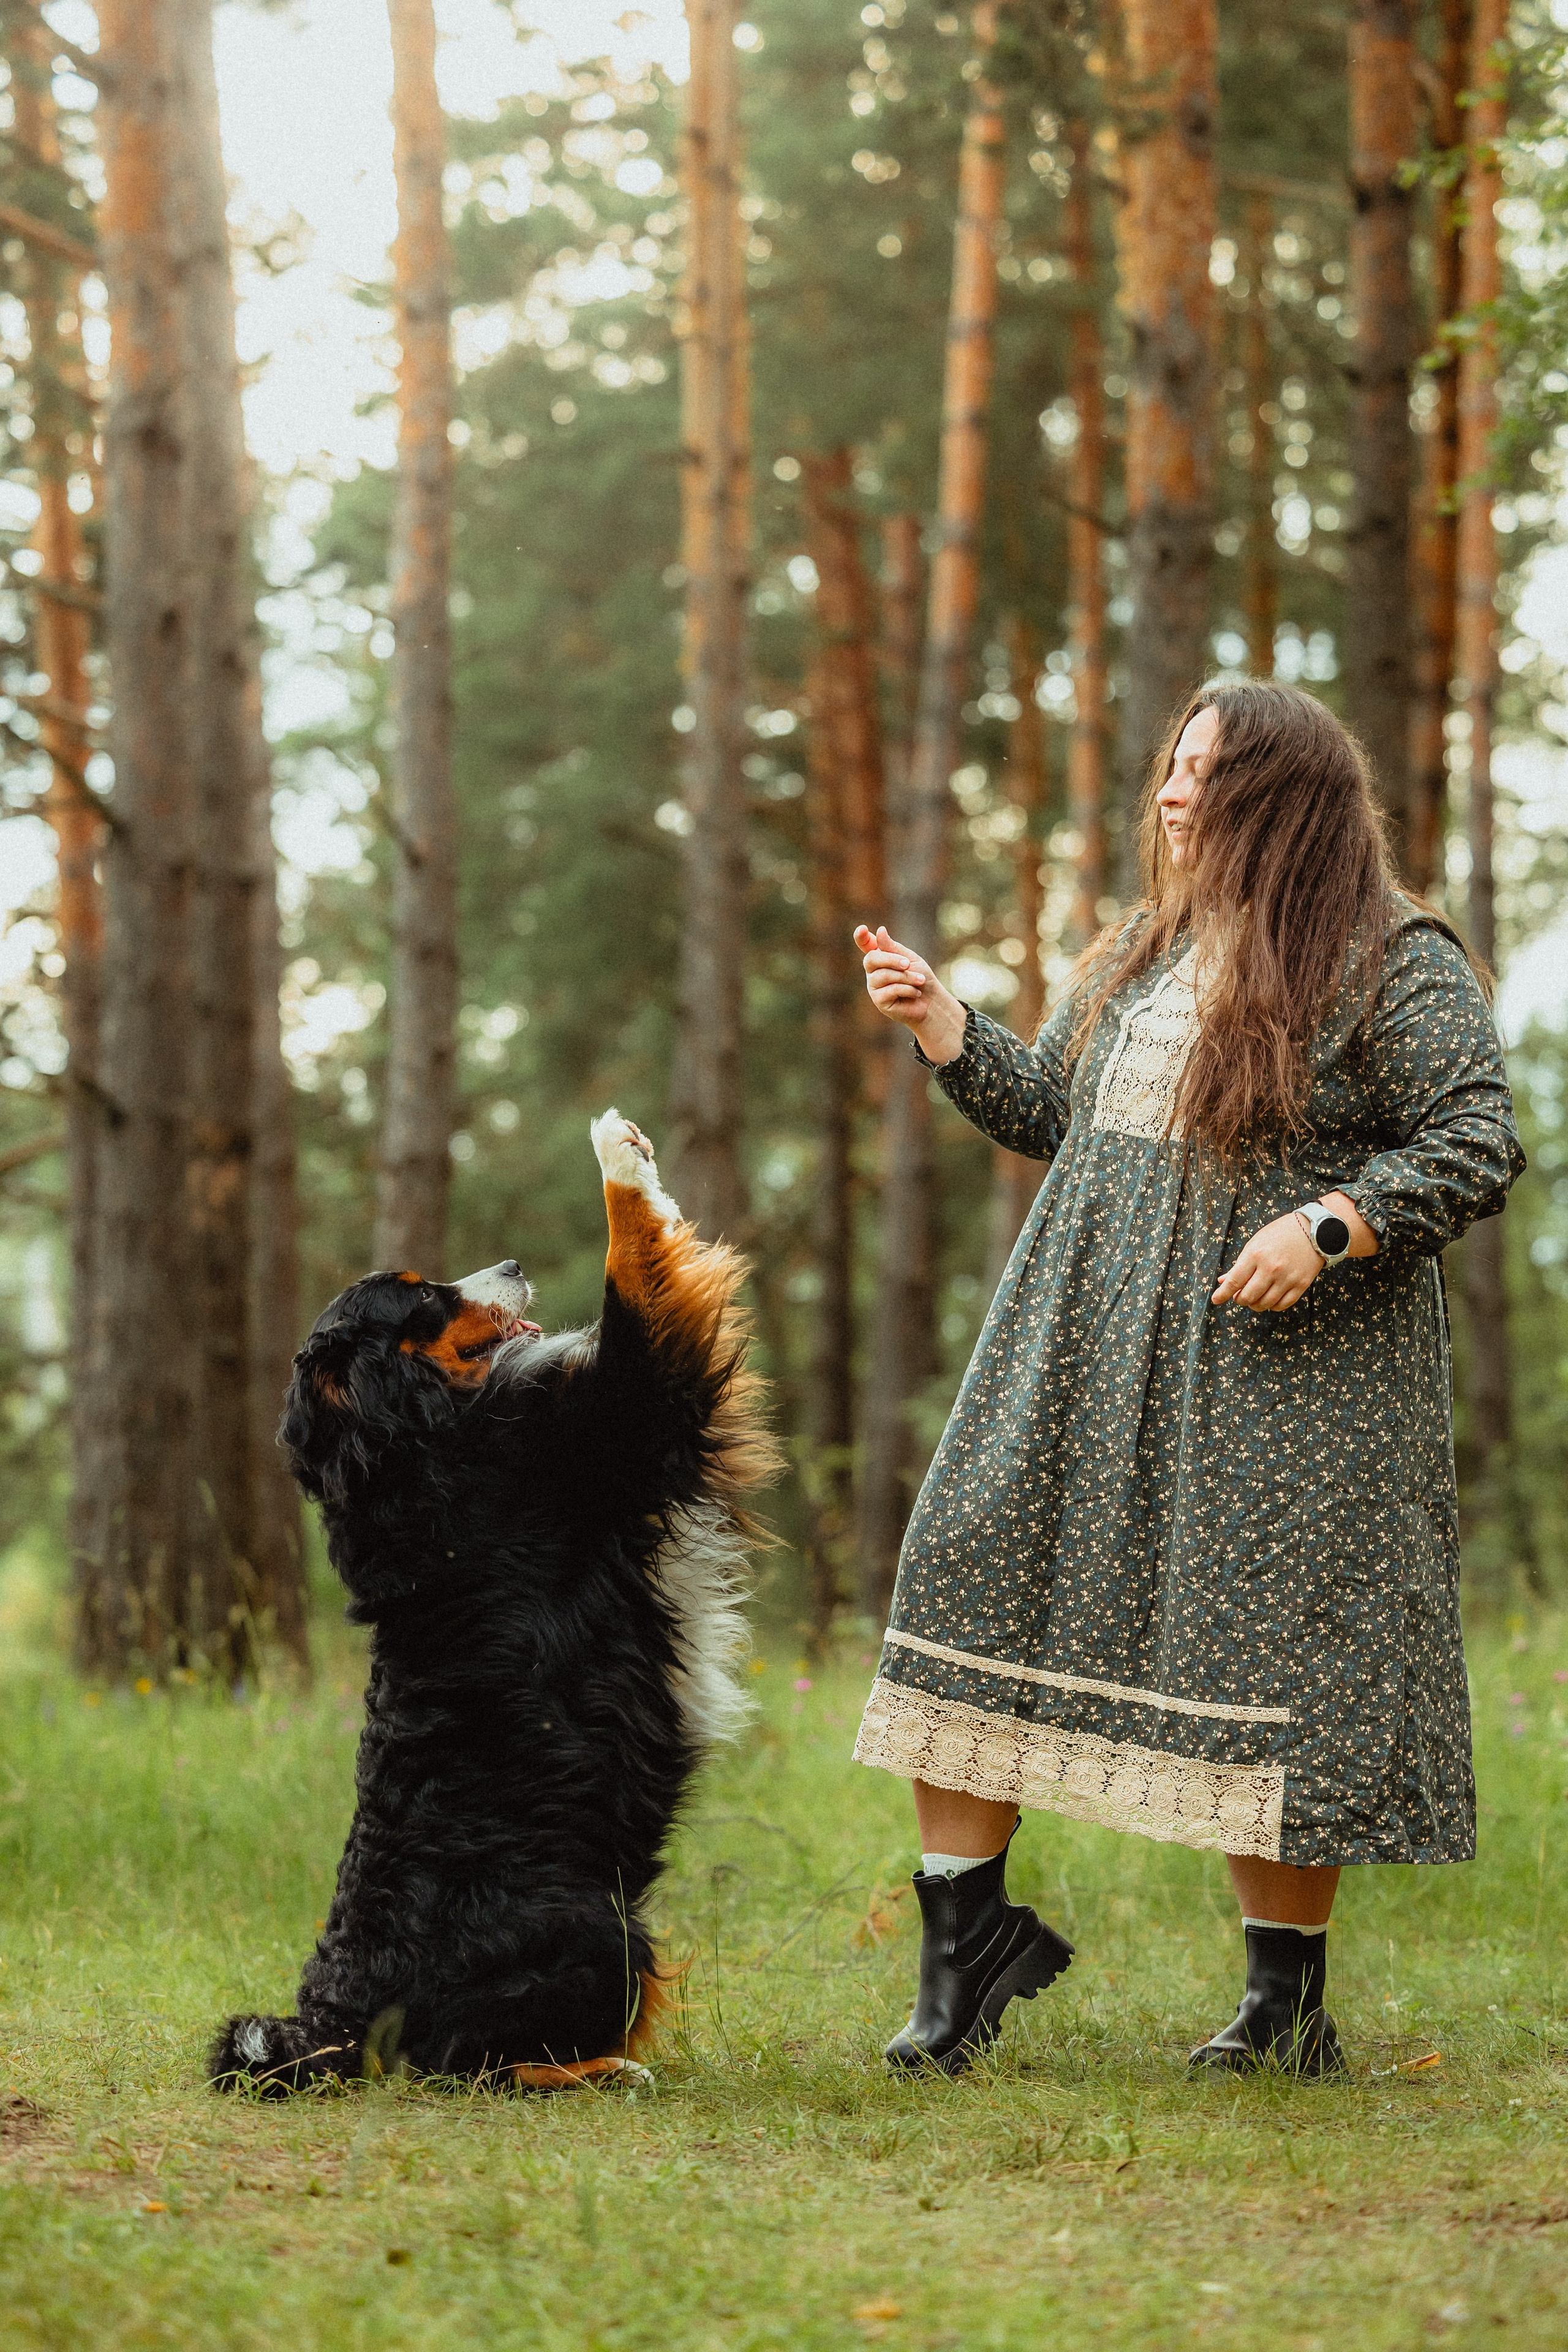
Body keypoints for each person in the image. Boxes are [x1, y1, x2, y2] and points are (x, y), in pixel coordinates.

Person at [851, 679, 1523, 2079]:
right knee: (968, 1568)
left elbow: (1474, 1135)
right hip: (1079, 1341)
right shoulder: (1140, 949)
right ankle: (964, 1952)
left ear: (1278, 800)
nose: (1168, 794)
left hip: (1284, 1376)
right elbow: (1049, 1111)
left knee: (1269, 1664)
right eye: (1169, 767)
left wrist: (1329, 1224)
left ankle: (1284, 2009)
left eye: (1202, 773)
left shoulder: (1390, 960)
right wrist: (941, 1024)